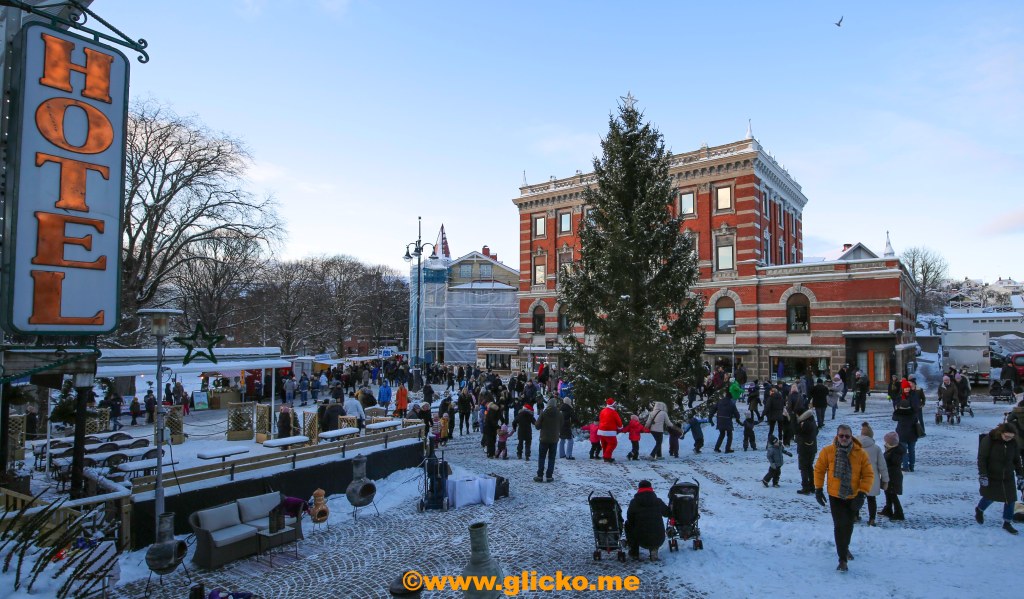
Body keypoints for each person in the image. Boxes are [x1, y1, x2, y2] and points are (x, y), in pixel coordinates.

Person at [813, 423, 874, 572]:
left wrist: (862, 493)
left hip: (853, 494)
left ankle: (845, 547)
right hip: (835, 495)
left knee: (848, 525)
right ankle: (842, 559)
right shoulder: (828, 451)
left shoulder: (860, 453)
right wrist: (818, 489)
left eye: (847, 436)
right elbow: (819, 469)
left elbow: (868, 475)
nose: (844, 438)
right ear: (837, 436)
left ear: (851, 436)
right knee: (839, 525)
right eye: (841, 436)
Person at [975, 423, 1023, 534]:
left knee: (1010, 499)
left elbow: (1017, 460)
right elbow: (982, 458)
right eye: (1006, 436)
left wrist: (1020, 475)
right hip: (993, 474)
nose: (1009, 439)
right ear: (1000, 433)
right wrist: (983, 474)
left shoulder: (1013, 442)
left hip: (1008, 475)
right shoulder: (989, 440)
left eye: (1011, 437)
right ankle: (979, 509)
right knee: (990, 497)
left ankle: (1007, 523)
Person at [625, 480, 670, 561]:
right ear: (651, 488)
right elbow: (667, 513)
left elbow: (630, 518)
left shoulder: (634, 502)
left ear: (639, 489)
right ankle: (654, 549)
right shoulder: (658, 501)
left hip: (640, 538)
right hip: (659, 538)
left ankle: (634, 552)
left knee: (628, 524)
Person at [857, 423, 889, 526]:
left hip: (857, 477)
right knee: (871, 499)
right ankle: (872, 519)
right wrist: (885, 480)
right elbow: (882, 466)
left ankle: (854, 515)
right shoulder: (876, 448)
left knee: (856, 497)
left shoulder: (854, 447)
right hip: (872, 478)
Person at [892, 380, 921, 472]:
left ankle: (905, 466)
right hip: (912, 432)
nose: (907, 389)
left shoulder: (900, 412)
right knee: (911, 449)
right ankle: (911, 466)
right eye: (905, 388)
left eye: (908, 387)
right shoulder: (912, 413)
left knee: (904, 450)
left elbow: (894, 417)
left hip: (903, 432)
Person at [534, 398, 563, 482]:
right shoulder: (559, 414)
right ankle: (549, 476)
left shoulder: (544, 413)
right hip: (554, 439)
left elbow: (537, 426)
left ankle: (540, 476)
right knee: (552, 458)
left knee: (542, 457)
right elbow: (561, 425)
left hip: (544, 438)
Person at [880, 432, 906, 521]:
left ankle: (899, 513)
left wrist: (888, 453)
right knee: (888, 492)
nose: (885, 444)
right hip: (889, 474)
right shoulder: (893, 450)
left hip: (893, 475)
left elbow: (894, 462)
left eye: (887, 442)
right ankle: (888, 509)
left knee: (893, 495)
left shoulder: (896, 451)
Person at [795, 405, 818, 495]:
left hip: (804, 448)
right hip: (812, 448)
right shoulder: (812, 421)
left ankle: (805, 487)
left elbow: (796, 431)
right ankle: (812, 486)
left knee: (804, 468)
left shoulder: (804, 423)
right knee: (809, 467)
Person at [598, 398, 623, 463]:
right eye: (615, 404)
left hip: (601, 430)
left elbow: (600, 419)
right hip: (609, 431)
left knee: (604, 444)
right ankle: (607, 457)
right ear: (612, 405)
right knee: (613, 443)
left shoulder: (602, 411)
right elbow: (619, 421)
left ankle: (605, 456)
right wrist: (620, 428)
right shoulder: (614, 412)